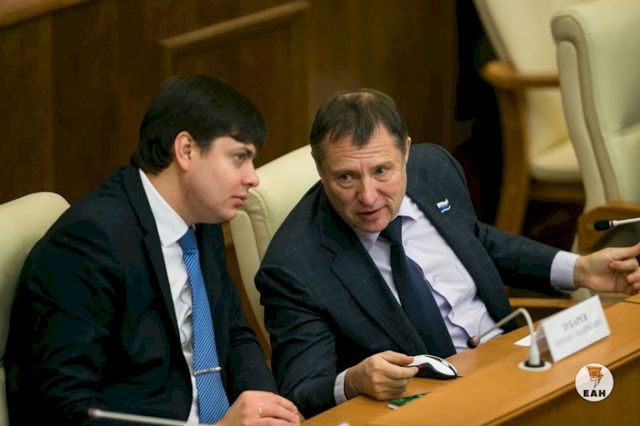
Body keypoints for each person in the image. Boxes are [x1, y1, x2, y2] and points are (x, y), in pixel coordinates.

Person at [255, 88, 640, 418]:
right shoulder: (294, 267)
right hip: (433, 408)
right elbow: (301, 389)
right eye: (346, 178)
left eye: (382, 171)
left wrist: (579, 270)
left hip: (515, 364)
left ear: (406, 152)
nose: (368, 197)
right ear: (320, 169)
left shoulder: (433, 168)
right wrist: (353, 381)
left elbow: (477, 240)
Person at [5, 75, 300, 426]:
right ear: (186, 150)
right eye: (239, 158)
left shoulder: (201, 215)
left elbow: (234, 333)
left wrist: (268, 410)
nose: (253, 177)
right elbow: (66, 409)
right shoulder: (88, 243)